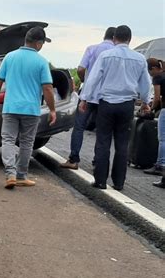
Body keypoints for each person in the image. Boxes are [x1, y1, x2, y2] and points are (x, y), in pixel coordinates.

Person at [79, 25, 151, 190]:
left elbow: (93, 79)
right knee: (122, 143)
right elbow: (145, 84)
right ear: (130, 39)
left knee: (103, 141)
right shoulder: (139, 59)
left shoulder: (106, 55)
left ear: (114, 38)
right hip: (127, 104)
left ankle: (100, 180)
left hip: (107, 103)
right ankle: (118, 182)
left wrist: (84, 98)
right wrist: (146, 102)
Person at [0, 26, 56, 189]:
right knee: (26, 142)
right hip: (31, 110)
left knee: (8, 140)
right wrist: (52, 109)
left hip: (11, 107)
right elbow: (47, 88)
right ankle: (20, 175)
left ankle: (10, 174)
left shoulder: (10, 57)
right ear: (38, 44)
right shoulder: (41, 62)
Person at [60, 27, 116, 170]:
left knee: (79, 126)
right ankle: (98, 162)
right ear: (115, 38)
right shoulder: (115, 54)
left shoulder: (92, 49)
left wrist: (85, 80)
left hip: (88, 95)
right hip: (106, 98)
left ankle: (73, 159)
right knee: (103, 131)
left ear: (104, 35)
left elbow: (80, 69)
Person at [142, 58, 165, 187]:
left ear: (153, 69)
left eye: (149, 71)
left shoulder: (158, 77)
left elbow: (156, 98)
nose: (150, 74)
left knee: (162, 139)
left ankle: (160, 165)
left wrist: (152, 109)